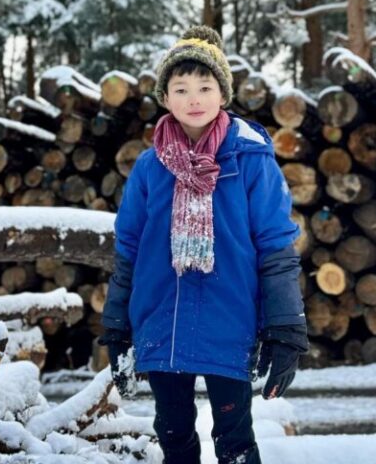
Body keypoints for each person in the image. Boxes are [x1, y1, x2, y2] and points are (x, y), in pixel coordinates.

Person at [100, 25, 308, 464]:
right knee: (173, 435)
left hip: (229, 317)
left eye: (204, 87)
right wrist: (117, 324)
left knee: (234, 438)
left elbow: (275, 245)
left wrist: (286, 327)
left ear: (222, 94)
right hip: (162, 317)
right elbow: (129, 248)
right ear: (166, 98)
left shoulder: (250, 160)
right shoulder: (150, 166)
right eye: (181, 88)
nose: (194, 99)